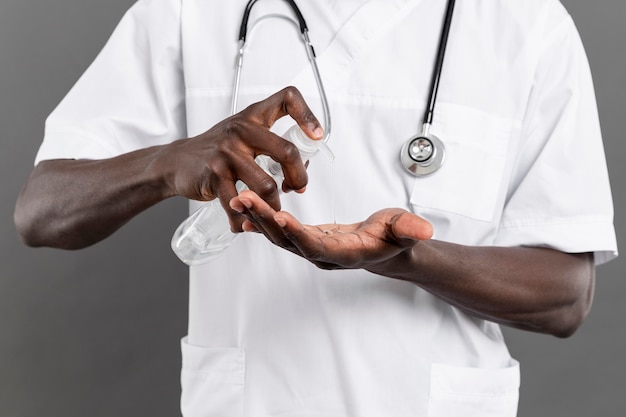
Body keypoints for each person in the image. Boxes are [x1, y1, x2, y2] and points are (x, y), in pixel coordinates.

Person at [14, 0, 618, 416]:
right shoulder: (188, 10)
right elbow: (41, 210)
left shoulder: (527, 24)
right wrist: (167, 163)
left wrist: (409, 258)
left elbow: (565, 295)